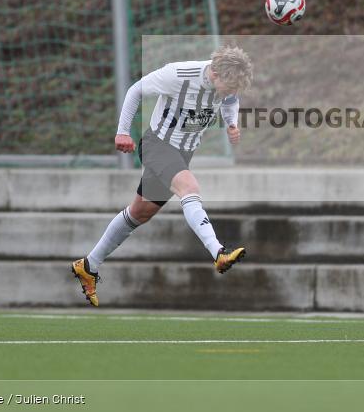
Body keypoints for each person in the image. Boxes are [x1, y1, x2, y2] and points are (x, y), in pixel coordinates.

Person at [72, 45, 253, 307]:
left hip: (183, 154)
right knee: (189, 187)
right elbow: (136, 90)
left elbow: (230, 100)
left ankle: (88, 265)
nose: (229, 93)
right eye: (228, 87)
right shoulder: (178, 75)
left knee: (139, 213)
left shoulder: (225, 84)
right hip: (158, 145)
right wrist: (123, 131)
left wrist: (232, 123)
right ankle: (218, 252)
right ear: (214, 74)